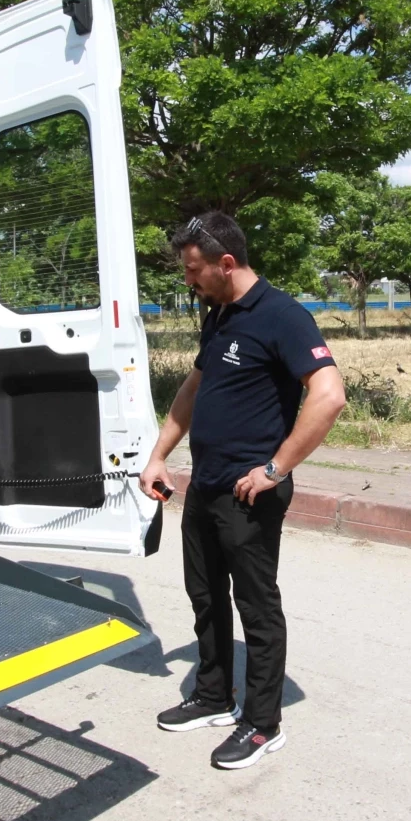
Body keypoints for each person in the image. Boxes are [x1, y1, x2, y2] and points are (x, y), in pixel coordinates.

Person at [139, 211, 346, 770]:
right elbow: (196, 385)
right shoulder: (221, 314)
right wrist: (159, 454)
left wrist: (275, 469)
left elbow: (328, 395)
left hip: (251, 493)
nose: (189, 280)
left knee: (255, 607)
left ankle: (262, 723)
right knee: (204, 596)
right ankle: (212, 696)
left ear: (226, 263)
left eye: (195, 270)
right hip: (205, 486)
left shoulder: (283, 316)